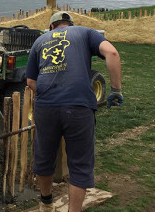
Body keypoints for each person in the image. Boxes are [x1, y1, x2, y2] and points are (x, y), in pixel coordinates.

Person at [26, 12, 123, 212]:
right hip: (79, 107)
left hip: (46, 107)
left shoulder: (40, 41)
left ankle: (45, 203)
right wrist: (115, 90)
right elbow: (112, 53)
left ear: (51, 27)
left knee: (44, 155)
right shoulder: (85, 32)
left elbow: (30, 82)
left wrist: (50, 95)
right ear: (70, 24)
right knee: (79, 162)